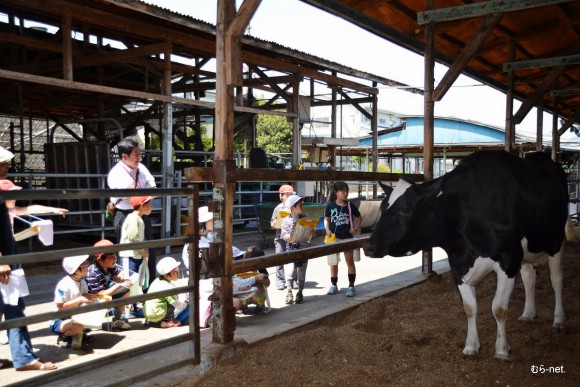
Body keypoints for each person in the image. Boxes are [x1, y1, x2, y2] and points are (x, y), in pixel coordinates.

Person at [0, 200, 57, 371]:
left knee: (13, 308)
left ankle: (23, 356)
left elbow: (26, 209)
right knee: (14, 308)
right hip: (5, 264)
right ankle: (24, 358)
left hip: (8, 259)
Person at [107, 138, 157, 284]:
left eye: (139, 153)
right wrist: (143, 200)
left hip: (142, 213)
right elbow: (130, 196)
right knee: (128, 252)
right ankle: (129, 287)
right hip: (125, 214)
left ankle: (150, 285)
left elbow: (153, 187)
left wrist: (146, 206)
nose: (139, 156)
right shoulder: (116, 173)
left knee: (149, 248)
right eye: (136, 153)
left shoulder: (142, 168)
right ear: (124, 156)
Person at [324, 181, 363, 297]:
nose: (345, 193)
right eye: (342, 191)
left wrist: (355, 228)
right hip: (333, 238)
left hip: (347, 238)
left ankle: (351, 286)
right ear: (336, 192)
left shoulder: (350, 205)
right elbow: (327, 219)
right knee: (333, 263)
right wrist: (327, 230)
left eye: (347, 191)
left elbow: (359, 217)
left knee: (349, 262)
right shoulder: (330, 206)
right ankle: (333, 285)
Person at [50, 255, 97, 349]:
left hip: (74, 316)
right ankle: (64, 337)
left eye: (87, 263)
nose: (88, 266)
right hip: (59, 320)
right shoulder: (64, 284)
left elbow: (83, 296)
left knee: (94, 315)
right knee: (79, 326)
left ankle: (77, 334)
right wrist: (79, 299)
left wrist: (90, 297)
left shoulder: (82, 282)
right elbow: (60, 306)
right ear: (76, 269)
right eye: (84, 264)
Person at [86, 239, 133, 330]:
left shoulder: (110, 267)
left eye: (115, 256)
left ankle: (118, 318)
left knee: (126, 290)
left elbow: (120, 271)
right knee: (123, 287)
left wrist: (120, 276)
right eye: (111, 258)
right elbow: (100, 294)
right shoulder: (93, 273)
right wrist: (119, 284)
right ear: (100, 259)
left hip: (106, 293)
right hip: (94, 299)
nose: (115, 259)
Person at [119, 196, 152, 302]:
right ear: (143, 205)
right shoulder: (133, 218)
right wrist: (142, 251)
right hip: (130, 256)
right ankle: (123, 309)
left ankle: (132, 306)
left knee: (135, 282)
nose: (151, 208)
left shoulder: (137, 218)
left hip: (135, 255)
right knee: (129, 282)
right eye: (150, 204)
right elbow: (133, 238)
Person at [280, 194, 310, 305]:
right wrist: (293, 237)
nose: (302, 206)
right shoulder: (286, 220)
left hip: (303, 249)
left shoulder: (305, 219)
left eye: (302, 204)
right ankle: (289, 292)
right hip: (291, 249)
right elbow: (284, 235)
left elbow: (309, 234)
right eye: (299, 204)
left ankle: (300, 292)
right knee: (290, 272)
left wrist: (311, 232)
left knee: (301, 272)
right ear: (292, 207)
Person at [144, 257, 189, 328]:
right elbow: (178, 306)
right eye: (175, 272)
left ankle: (151, 321)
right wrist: (186, 304)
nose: (178, 274)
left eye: (178, 271)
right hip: (157, 315)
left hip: (149, 314)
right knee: (172, 301)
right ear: (166, 275)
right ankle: (167, 321)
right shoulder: (168, 288)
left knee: (171, 298)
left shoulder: (157, 280)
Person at [270, 184, 297, 290]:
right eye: (287, 195)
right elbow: (272, 223)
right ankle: (280, 282)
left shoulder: (294, 207)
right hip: (280, 236)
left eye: (291, 195)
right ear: (281, 196)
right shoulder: (278, 208)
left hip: (292, 236)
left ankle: (294, 280)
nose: (289, 197)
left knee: (294, 258)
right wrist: (277, 223)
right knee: (279, 258)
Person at [235, 245, 270, 314]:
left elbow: (267, 284)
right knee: (239, 286)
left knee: (257, 287)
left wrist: (262, 280)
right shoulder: (238, 268)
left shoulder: (260, 268)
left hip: (255, 296)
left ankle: (260, 305)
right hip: (242, 296)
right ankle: (243, 306)